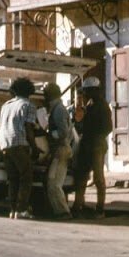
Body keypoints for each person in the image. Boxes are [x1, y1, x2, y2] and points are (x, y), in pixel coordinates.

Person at [0, 77, 40, 219]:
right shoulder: (28, 105)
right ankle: (21, 210)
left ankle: (13, 209)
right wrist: (35, 147)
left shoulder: (6, 105)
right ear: (29, 91)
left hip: (5, 144)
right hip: (19, 143)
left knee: (13, 179)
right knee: (26, 177)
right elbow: (28, 128)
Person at [72, 76, 113, 218]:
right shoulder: (89, 105)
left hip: (96, 144)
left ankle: (100, 209)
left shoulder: (102, 106)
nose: (86, 94)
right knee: (81, 175)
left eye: (88, 91)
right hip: (87, 143)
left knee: (98, 178)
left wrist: (95, 135)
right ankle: (78, 205)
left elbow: (108, 127)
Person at [43, 83, 73, 220]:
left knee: (54, 183)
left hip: (61, 150)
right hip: (60, 150)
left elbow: (63, 132)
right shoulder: (56, 108)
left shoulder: (58, 110)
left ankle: (63, 212)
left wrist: (50, 134)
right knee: (52, 182)